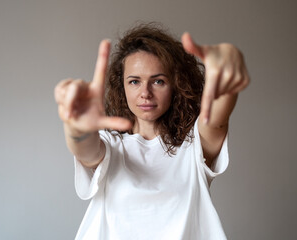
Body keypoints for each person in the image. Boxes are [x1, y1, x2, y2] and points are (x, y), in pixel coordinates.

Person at [54, 23, 249, 240]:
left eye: (158, 81)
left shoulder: (194, 147)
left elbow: (215, 119)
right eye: (135, 81)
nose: (145, 93)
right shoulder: (109, 144)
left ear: (176, 85)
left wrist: (226, 76)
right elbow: (86, 149)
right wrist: (76, 127)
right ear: (122, 86)